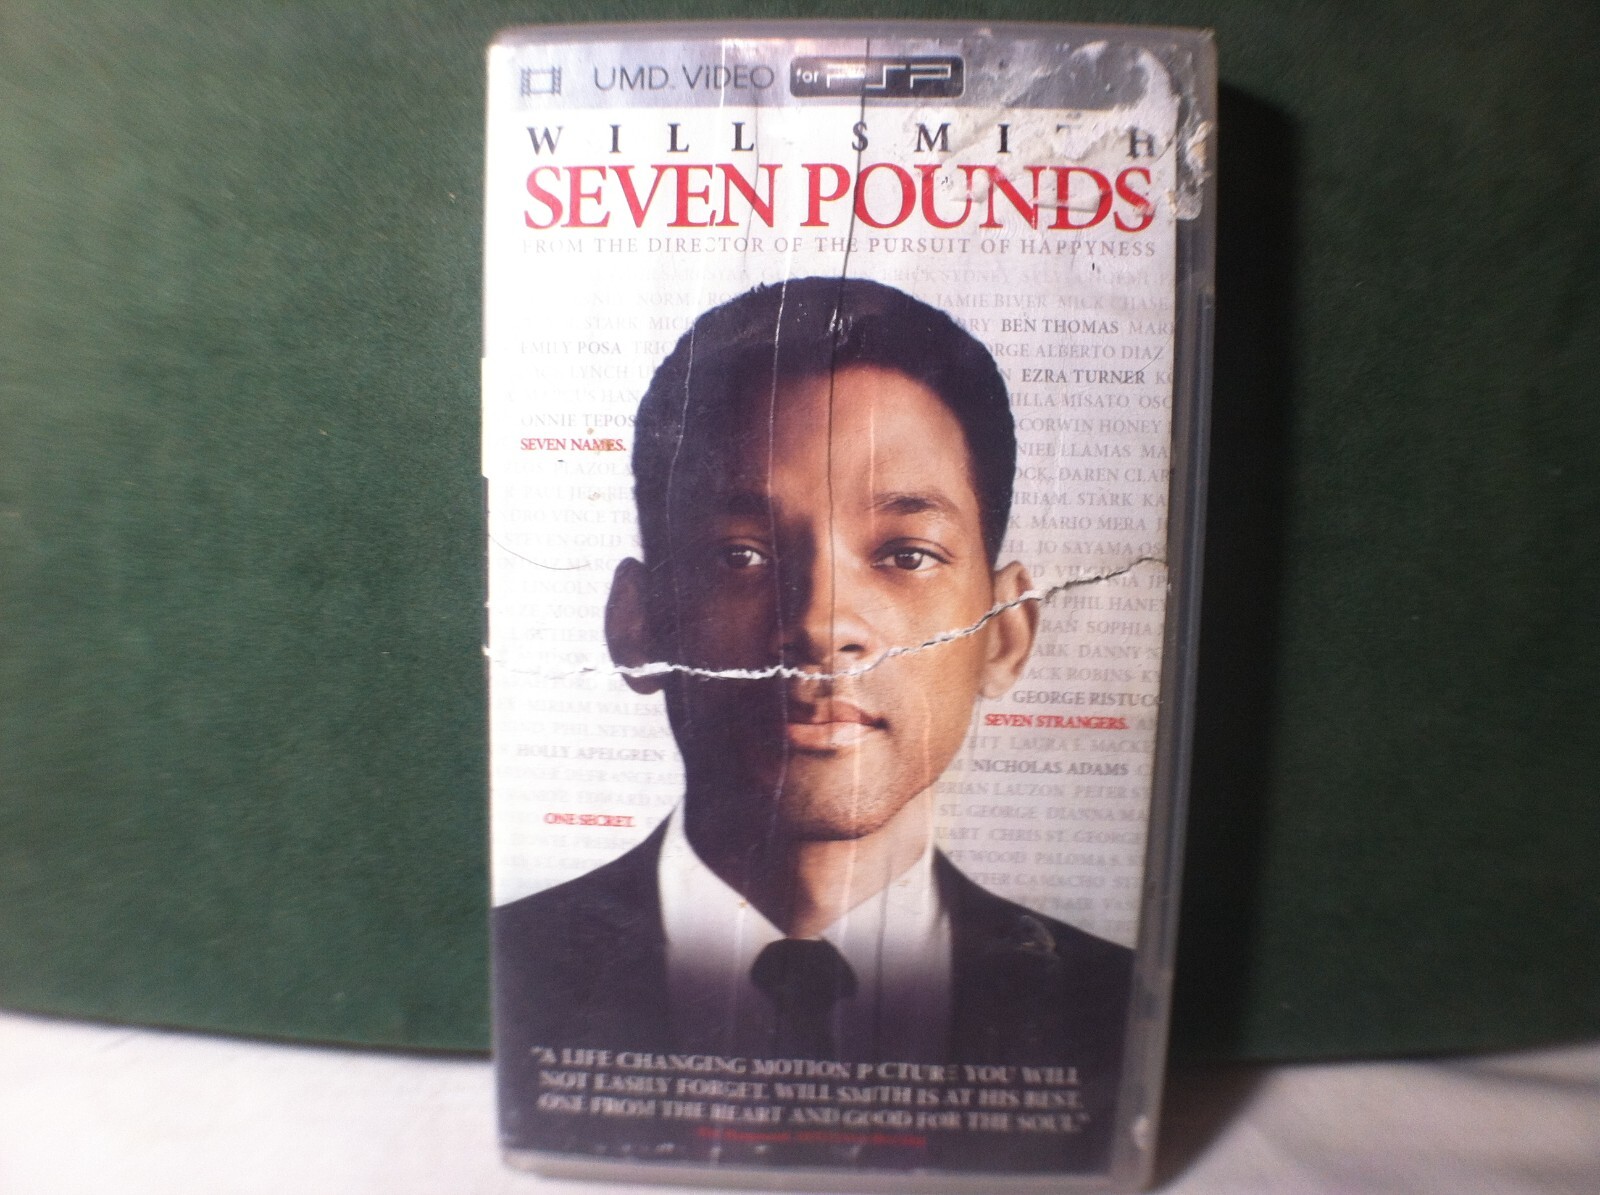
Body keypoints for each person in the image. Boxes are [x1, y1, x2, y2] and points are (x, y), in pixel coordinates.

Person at [495, 276, 1133, 1169]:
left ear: (1005, 633)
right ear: (637, 624)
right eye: (740, 554)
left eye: (906, 553)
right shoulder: (510, 969)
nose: (823, 623)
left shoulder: (1113, 1007)